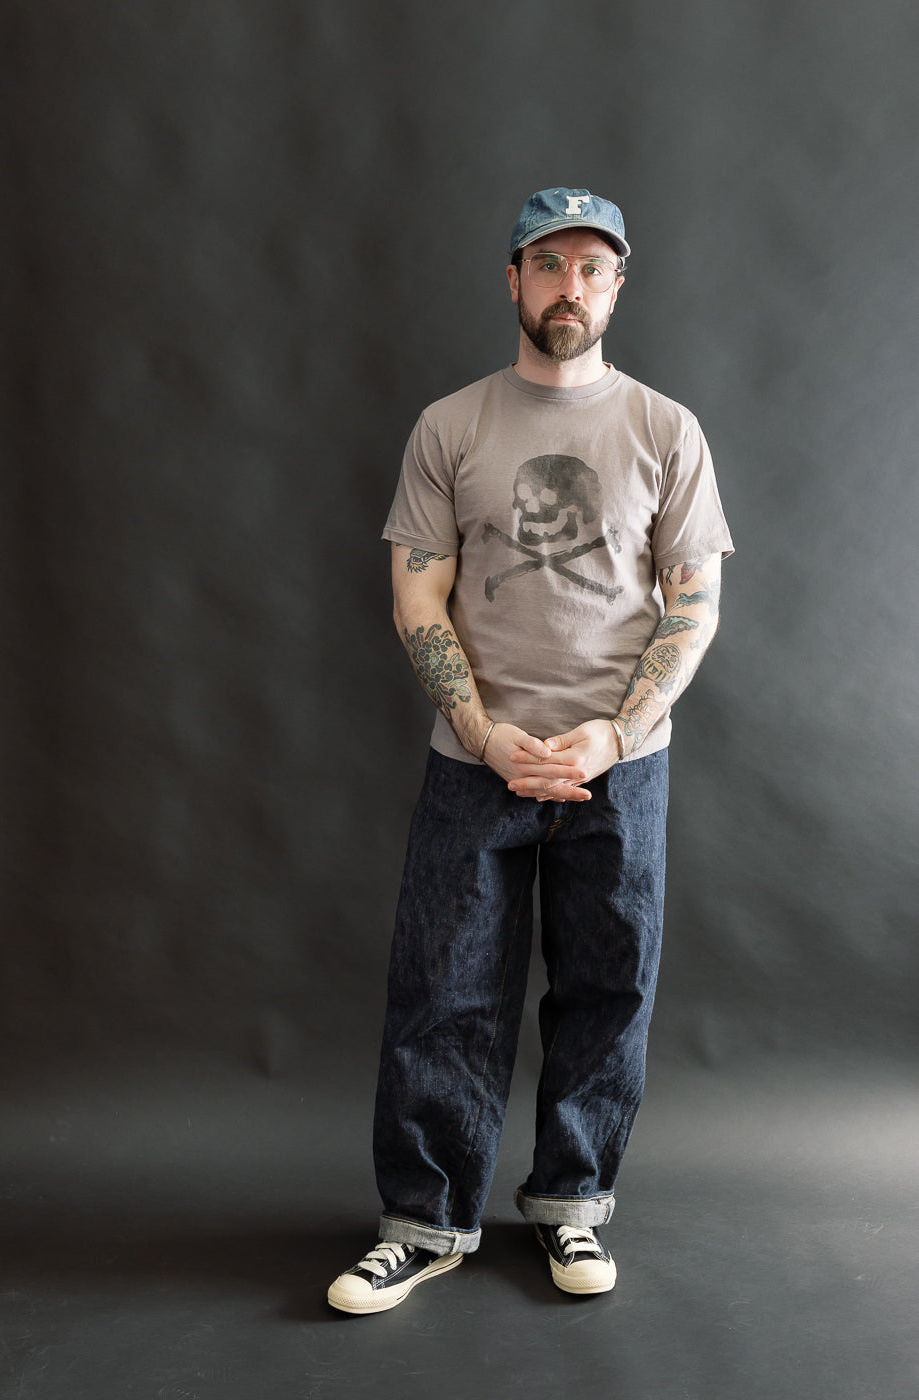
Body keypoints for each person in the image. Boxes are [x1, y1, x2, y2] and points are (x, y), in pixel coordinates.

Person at [327, 188, 733, 1314]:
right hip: (475, 762)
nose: (570, 285)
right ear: (511, 279)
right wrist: (486, 731)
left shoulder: (665, 429)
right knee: (441, 992)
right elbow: (419, 597)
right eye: (547, 263)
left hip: (622, 762)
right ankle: (424, 1222)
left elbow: (691, 606)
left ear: (616, 285)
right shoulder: (449, 426)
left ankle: (571, 1206)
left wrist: (613, 730)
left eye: (593, 268)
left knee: (608, 986)